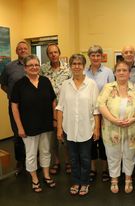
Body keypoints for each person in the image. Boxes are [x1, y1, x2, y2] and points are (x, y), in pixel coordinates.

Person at [97, 61, 135, 194]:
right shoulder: (108, 87)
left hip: (132, 130)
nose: (121, 72)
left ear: (129, 73)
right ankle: (114, 179)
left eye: (124, 70)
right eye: (118, 70)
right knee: (112, 154)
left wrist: (134, 118)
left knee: (130, 155)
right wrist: (113, 119)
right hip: (111, 128)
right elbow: (101, 105)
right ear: (114, 73)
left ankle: (128, 179)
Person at [11, 54, 56, 192]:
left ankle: (46, 175)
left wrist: (55, 119)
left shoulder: (45, 81)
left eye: (36, 65)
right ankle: (35, 179)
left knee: (46, 151)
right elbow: (14, 107)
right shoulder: (19, 85)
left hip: (46, 124)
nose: (34, 67)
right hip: (28, 126)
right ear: (25, 68)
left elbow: (53, 101)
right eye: (30, 65)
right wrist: (19, 127)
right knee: (31, 154)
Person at [56, 54, 100, 196]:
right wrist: (59, 129)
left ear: (84, 66)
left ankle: (85, 182)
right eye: (74, 63)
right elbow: (60, 107)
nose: (76, 66)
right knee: (73, 158)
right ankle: (75, 182)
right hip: (69, 129)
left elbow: (96, 109)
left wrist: (97, 128)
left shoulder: (91, 84)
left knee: (86, 158)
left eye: (79, 63)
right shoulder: (65, 85)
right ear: (70, 66)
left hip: (86, 128)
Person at [40, 43, 72, 175]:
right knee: (53, 138)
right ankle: (57, 161)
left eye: (55, 52)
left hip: (66, 108)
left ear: (59, 53)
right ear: (48, 55)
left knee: (68, 137)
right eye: (50, 53)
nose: (53, 55)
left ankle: (69, 161)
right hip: (49, 109)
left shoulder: (68, 69)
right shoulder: (43, 69)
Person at [85, 45, 115, 182]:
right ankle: (92, 169)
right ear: (89, 57)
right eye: (93, 55)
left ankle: (105, 169)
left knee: (104, 142)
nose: (96, 58)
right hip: (88, 112)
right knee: (90, 141)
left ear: (101, 57)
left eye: (98, 55)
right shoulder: (84, 72)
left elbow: (113, 92)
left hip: (104, 113)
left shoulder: (108, 72)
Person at [0, 41, 30, 175]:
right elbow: (3, 85)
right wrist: (13, 97)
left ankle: (34, 161)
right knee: (18, 135)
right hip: (15, 107)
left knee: (33, 133)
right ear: (16, 51)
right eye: (20, 49)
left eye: (25, 48)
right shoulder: (9, 67)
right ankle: (20, 161)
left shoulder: (34, 64)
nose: (23, 50)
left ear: (28, 50)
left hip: (31, 106)